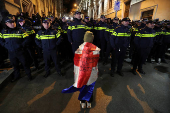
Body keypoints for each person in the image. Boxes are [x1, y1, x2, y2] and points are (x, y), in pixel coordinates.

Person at [62, 31, 100, 109]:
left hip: (81, 73)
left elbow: (76, 64)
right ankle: (89, 102)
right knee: (89, 88)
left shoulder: (78, 50)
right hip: (91, 73)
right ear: (92, 40)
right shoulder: (96, 50)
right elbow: (95, 64)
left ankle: (82, 103)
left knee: (82, 87)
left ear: (84, 39)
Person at [0, 14, 33, 82]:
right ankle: (17, 76)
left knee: (25, 64)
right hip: (11, 52)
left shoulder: (20, 30)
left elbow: (27, 39)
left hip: (20, 51)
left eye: (14, 22)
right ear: (6, 24)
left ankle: (29, 75)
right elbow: (1, 40)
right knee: (15, 65)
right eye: (11, 23)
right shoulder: (3, 32)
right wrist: (5, 46)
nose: (13, 24)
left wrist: (21, 45)